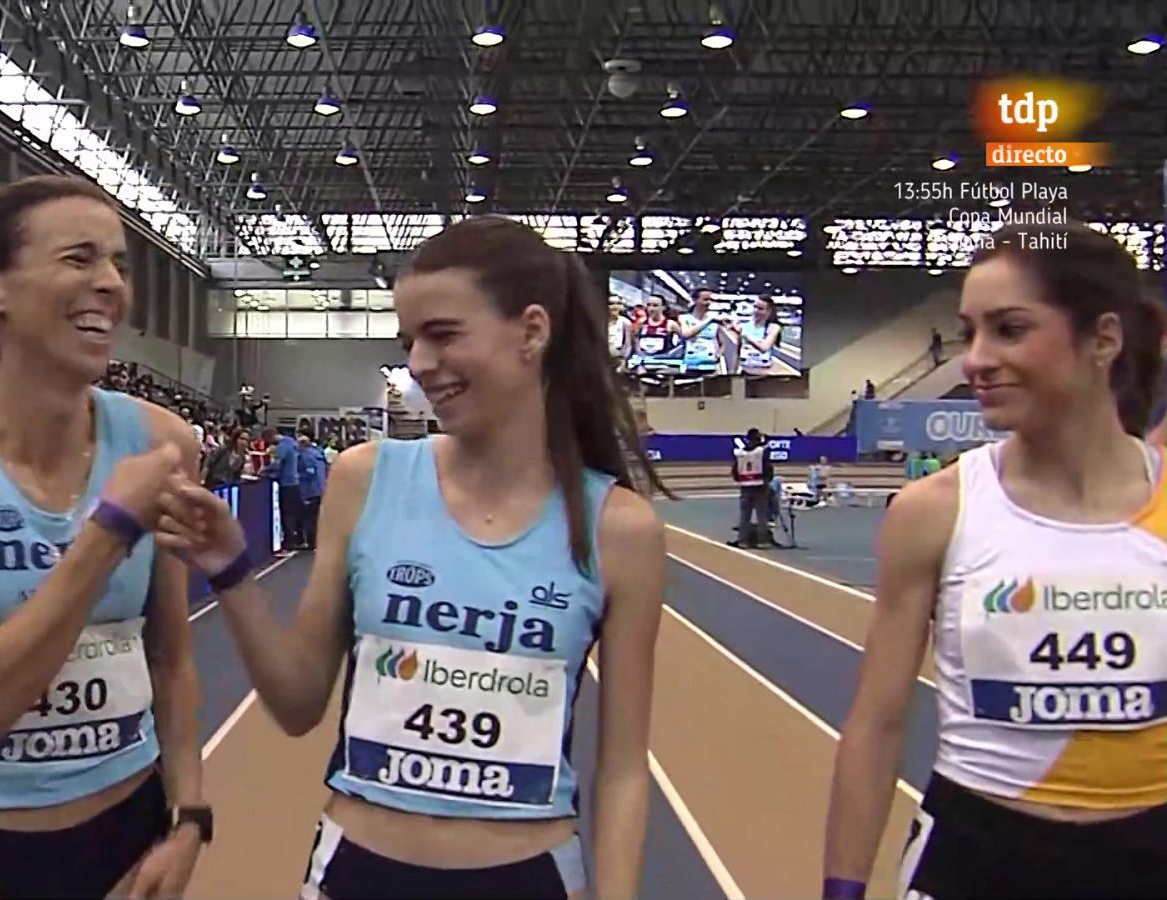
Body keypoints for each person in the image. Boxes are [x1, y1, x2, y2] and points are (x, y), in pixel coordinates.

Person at [154, 215, 666, 899]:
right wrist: (230, 569)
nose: (419, 364)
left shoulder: (618, 529)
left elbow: (627, 770)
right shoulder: (366, 479)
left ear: (532, 332)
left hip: (528, 876)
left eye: (444, 334)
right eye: (409, 340)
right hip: (360, 871)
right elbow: (300, 702)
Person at [0, 175, 209, 899]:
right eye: (79, 259)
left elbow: (171, 658)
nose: (110, 284)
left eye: (119, 263)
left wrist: (190, 818)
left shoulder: (160, 440)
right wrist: (108, 530)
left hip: (130, 832)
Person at [824, 223, 1167, 900]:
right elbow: (877, 720)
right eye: (968, 332)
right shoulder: (935, 511)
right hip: (979, 852)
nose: (976, 359)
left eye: (1009, 329)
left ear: (1103, 339)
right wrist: (842, 889)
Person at [729, 428, 775, 549]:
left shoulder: (740, 453)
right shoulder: (761, 451)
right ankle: (763, 541)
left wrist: (743, 479)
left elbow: (735, 471)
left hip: (745, 487)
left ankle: (742, 541)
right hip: (760, 486)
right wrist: (767, 480)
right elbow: (768, 467)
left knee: (744, 516)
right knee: (762, 516)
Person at [727, 295, 783, 376]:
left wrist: (744, 335)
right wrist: (734, 373)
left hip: (764, 375)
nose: (756, 311)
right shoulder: (744, 326)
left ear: (769, 311)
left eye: (760, 309)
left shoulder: (773, 327)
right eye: (755, 307)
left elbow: (764, 348)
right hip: (745, 373)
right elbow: (738, 352)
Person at [296, 433, 327, 550]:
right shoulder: (318, 454)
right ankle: (315, 541)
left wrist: (297, 476)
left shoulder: (305, 456)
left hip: (309, 490)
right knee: (315, 518)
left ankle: (310, 542)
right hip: (319, 489)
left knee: (309, 518)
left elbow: (309, 473)